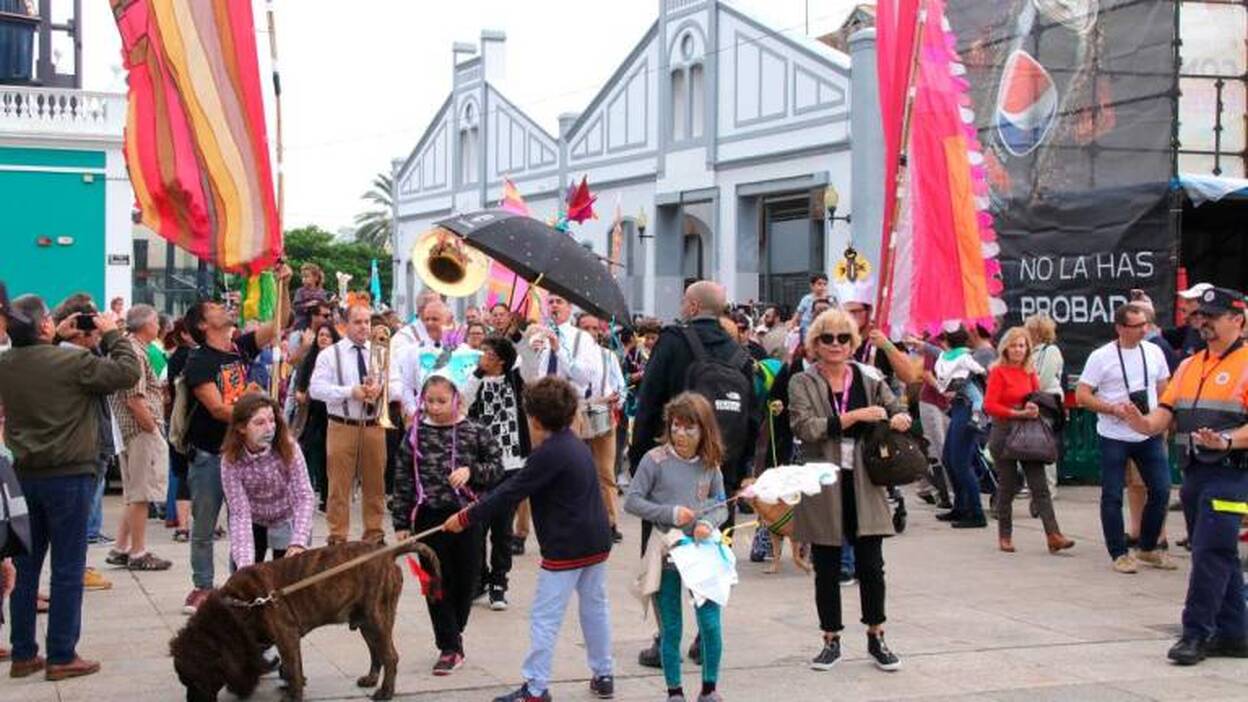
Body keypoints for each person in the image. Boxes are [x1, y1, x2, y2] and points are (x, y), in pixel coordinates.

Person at [443, 377, 615, 702]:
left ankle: (535, 688)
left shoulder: (548, 453)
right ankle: (604, 673)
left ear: (533, 419)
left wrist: (465, 517)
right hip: (596, 541)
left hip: (566, 547)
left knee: (545, 618)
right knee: (595, 608)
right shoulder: (575, 444)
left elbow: (510, 492)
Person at [0, 293, 140, 681]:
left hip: (25, 474)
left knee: (26, 568)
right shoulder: (73, 361)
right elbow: (127, 373)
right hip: (69, 475)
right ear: (45, 326)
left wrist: (53, 335)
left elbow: (34, 355)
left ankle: (24, 653)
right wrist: (113, 333)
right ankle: (62, 654)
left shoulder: (6, 363)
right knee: (67, 566)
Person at [628, 281, 758, 668]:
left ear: (691, 305)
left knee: (663, 564)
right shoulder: (740, 353)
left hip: (668, 476)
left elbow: (649, 402)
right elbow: (751, 419)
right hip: (721, 473)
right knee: (711, 558)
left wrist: (641, 465)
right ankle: (705, 636)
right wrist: (741, 472)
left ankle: (664, 639)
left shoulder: (672, 341)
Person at [1121, 286, 1248, 665]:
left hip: (1231, 474)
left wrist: (1227, 441)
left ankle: (1195, 633)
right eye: (1200, 317)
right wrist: (1143, 423)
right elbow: (1166, 411)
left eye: (1212, 316)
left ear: (1237, 320)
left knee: (1209, 551)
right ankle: (1236, 633)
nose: (1203, 323)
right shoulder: (1191, 364)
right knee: (1217, 553)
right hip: (1194, 474)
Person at [787, 308, 905, 673]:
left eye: (842, 338)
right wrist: (853, 417)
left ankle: (876, 636)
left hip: (865, 480)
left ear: (853, 342)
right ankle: (830, 640)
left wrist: (900, 416)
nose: (835, 344)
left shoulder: (868, 377)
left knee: (872, 565)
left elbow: (896, 405)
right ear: (815, 344)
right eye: (827, 338)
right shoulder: (802, 382)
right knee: (826, 566)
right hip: (824, 482)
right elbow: (805, 427)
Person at [179, 266, 289, 613]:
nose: (223, 307)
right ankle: (201, 586)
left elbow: (280, 323)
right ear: (202, 325)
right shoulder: (199, 360)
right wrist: (251, 405)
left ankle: (237, 584)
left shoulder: (239, 348)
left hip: (240, 455)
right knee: (206, 523)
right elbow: (215, 408)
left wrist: (283, 283)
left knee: (244, 521)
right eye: (214, 307)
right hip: (211, 454)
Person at [394, 374, 501, 675]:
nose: (435, 407)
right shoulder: (414, 434)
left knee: (466, 580)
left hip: (467, 517)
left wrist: (472, 471)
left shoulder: (475, 430)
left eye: (442, 401)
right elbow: (401, 479)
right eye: (429, 401)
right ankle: (449, 646)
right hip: (428, 517)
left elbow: (497, 469)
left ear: (456, 399)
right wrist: (401, 521)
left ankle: (455, 632)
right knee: (434, 584)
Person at [625, 393, 728, 702]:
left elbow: (721, 503)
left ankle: (709, 689)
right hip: (667, 552)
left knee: (710, 624)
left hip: (702, 552)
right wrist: (670, 514)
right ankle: (675, 692)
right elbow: (633, 500)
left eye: (689, 428)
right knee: (671, 627)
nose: (680, 434)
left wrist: (707, 523)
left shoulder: (711, 463)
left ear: (704, 430)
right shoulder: (654, 460)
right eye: (675, 427)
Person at [1076, 302, 1175, 574]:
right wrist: (1112, 408)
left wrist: (1162, 419)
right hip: (1114, 433)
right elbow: (1082, 395)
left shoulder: (1154, 351)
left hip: (1148, 431)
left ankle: (1147, 546)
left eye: (1145, 324)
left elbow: (1165, 389)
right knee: (1112, 494)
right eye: (1137, 326)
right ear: (1120, 328)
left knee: (1162, 489)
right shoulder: (1101, 356)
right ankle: (1119, 552)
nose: (1144, 330)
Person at [983, 327, 1074, 554]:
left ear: (1027, 349)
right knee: (1008, 484)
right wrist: (1016, 413)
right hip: (1003, 432)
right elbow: (990, 405)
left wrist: (1035, 407)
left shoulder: (1029, 372)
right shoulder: (998, 372)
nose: (1017, 350)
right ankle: (1005, 535)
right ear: (1006, 348)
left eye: (1022, 346)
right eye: (1013, 345)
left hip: (1027, 432)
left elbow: (1035, 396)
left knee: (1039, 485)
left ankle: (1053, 534)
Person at [309, 304, 387, 545]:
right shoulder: (330, 354)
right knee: (339, 486)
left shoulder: (379, 351)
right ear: (345, 325)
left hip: (374, 424)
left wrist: (380, 388)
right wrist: (349, 391)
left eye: (367, 322)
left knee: (375, 484)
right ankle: (338, 536)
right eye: (358, 322)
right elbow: (316, 389)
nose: (364, 327)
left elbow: (394, 382)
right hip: (342, 425)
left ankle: (374, 534)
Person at [104, 304, 172, 572]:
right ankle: (138, 551)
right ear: (146, 324)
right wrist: (153, 429)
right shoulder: (134, 351)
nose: (159, 326)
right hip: (140, 429)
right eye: (156, 321)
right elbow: (135, 399)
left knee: (133, 493)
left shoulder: (129, 348)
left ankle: (121, 547)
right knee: (142, 493)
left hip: (130, 430)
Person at [465, 336, 531, 611]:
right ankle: (479, 578)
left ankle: (499, 583)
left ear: (502, 360)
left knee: (503, 529)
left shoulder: (515, 378)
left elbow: (529, 365)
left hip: (511, 464)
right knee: (477, 526)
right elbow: (463, 400)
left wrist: (519, 335)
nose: (484, 357)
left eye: (490, 354)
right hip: (482, 465)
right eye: (484, 353)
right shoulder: (476, 379)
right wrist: (479, 372)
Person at [220, 393, 314, 569]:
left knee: (288, 577)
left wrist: (299, 542)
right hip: (254, 519)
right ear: (241, 428)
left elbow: (304, 496)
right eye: (259, 423)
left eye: (272, 420)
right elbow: (239, 513)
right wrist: (244, 566)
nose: (269, 428)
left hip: (287, 517)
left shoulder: (289, 447)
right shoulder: (230, 460)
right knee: (244, 579)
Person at [576, 311, 627, 543]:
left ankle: (610, 522)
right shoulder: (569, 356)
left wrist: (617, 399)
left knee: (605, 473)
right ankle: (578, 522)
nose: (590, 333)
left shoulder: (608, 356)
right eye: (585, 328)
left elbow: (621, 387)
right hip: (576, 416)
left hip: (602, 417)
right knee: (575, 472)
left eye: (594, 329)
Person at [934, 328, 990, 528]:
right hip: (959, 408)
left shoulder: (970, 357)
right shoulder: (956, 357)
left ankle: (976, 512)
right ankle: (961, 506)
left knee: (960, 462)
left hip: (967, 410)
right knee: (950, 459)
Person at [295, 323, 339, 511]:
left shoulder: (338, 359)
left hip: (332, 412)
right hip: (313, 413)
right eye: (321, 335)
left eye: (327, 336)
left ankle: (329, 494)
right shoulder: (310, 359)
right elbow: (300, 386)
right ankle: (316, 491)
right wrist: (301, 394)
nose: (323, 338)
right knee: (315, 453)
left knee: (332, 455)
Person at [1024, 314, 1064, 498]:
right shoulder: (1028, 351)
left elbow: (1044, 379)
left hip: (1046, 402)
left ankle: (1048, 487)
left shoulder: (1051, 351)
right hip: (1030, 402)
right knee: (1028, 444)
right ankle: (1030, 484)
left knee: (1044, 444)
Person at [163, 319, 195, 543]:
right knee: (190, 475)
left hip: (178, 421)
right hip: (189, 422)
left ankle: (182, 524)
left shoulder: (175, 357)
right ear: (184, 334)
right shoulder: (188, 357)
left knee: (182, 473)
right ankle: (186, 523)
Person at [1163, 282, 1212, 361]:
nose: (1184, 305)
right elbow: (1161, 337)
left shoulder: (1215, 335)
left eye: (1189, 301)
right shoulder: (1189, 330)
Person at [292, 263, 328, 331]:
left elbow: (325, 308)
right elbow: (295, 307)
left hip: (317, 323)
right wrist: (307, 305)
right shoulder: (300, 291)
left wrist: (328, 305)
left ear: (316, 278)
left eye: (306, 276)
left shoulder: (321, 292)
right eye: (303, 277)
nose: (304, 279)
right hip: (301, 323)